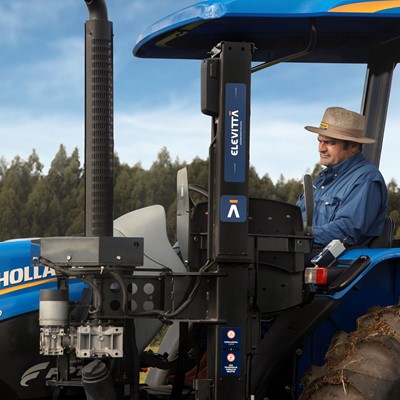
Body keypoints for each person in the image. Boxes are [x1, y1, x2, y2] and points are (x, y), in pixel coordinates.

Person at [296, 106, 388, 250]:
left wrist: (300, 234)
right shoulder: (322, 180)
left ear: (353, 146)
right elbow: (296, 218)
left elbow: (346, 231)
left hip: (336, 261)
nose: (321, 148)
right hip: (302, 250)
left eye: (330, 142)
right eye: (319, 141)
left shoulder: (366, 179)